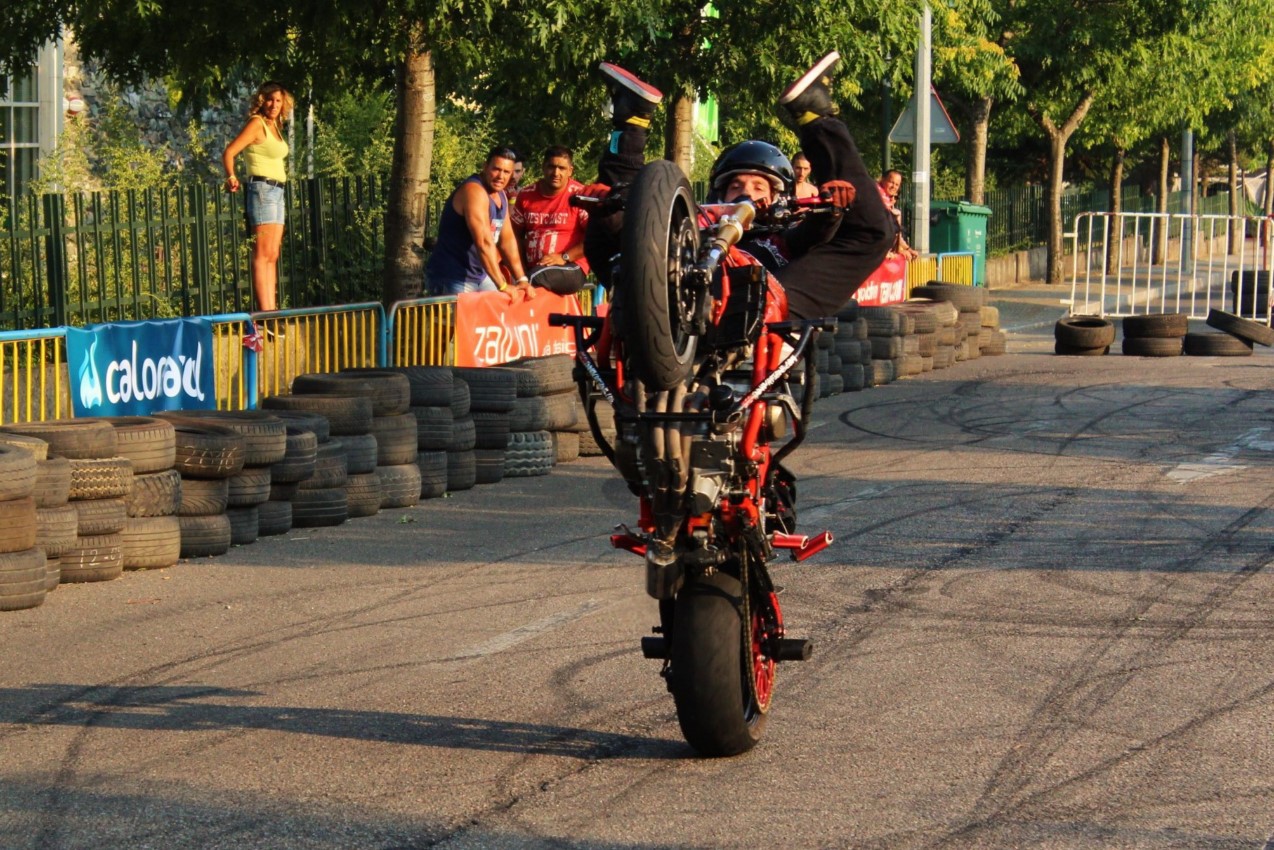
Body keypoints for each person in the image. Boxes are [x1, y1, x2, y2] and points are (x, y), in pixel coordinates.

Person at [222, 81, 293, 313]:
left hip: (278, 191)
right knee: (263, 255)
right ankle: (265, 314)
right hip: (262, 190)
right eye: (270, 100)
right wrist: (231, 176)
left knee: (273, 254)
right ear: (262, 101)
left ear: (284, 103)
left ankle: (272, 312)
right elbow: (230, 151)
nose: (274, 104)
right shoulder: (256, 124)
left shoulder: (275, 126)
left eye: (278, 100)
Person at [425, 146, 531, 296]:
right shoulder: (474, 191)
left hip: (480, 275)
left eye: (506, 172)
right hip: (454, 277)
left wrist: (522, 279)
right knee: (462, 320)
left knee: (498, 314)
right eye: (496, 169)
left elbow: (507, 240)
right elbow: (484, 241)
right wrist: (502, 285)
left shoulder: (501, 195)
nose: (501, 176)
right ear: (485, 166)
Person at [511, 145, 591, 275]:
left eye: (562, 168)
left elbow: (595, 236)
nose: (556, 173)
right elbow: (514, 236)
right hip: (533, 269)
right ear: (543, 167)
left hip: (570, 266)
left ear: (570, 171)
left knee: (532, 282)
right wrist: (521, 270)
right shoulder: (526, 195)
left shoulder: (580, 196)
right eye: (551, 167)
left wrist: (564, 257)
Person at [878, 169, 919, 260]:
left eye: (897, 184)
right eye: (891, 182)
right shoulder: (876, 203)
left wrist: (908, 249)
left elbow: (896, 236)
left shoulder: (891, 210)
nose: (894, 187)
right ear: (883, 180)